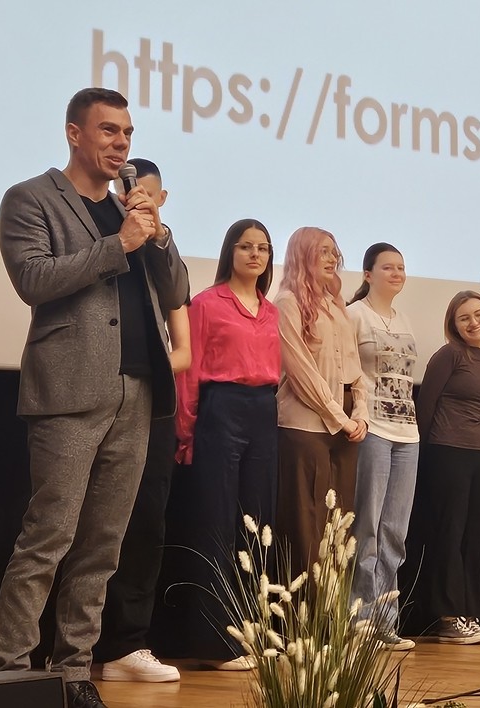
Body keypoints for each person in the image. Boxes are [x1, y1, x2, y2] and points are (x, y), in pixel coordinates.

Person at [0, 87, 189, 708]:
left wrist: (156, 235)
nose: (121, 143)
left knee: (103, 545)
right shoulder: (31, 199)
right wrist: (119, 244)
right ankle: (12, 674)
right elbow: (33, 279)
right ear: (74, 133)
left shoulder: (133, 207)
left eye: (127, 133)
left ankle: (74, 670)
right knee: (48, 538)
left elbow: (176, 291)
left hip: (137, 390)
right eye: (108, 131)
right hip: (69, 391)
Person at [95, 158, 191, 684]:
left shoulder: (161, 250)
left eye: (148, 196)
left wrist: (158, 237)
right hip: (95, 391)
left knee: (146, 522)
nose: (138, 202)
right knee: (91, 523)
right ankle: (77, 645)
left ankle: (129, 642)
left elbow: (181, 327)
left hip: (152, 401)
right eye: (130, 193)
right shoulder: (102, 233)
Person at [170, 219, 280, 671]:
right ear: (229, 252)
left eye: (263, 248)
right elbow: (188, 373)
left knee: (257, 525)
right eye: (246, 246)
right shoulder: (206, 303)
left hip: (263, 411)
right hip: (220, 409)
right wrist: (186, 432)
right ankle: (216, 644)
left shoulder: (271, 311)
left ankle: (251, 633)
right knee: (216, 524)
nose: (255, 255)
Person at [275, 227, 372, 571]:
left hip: (345, 428)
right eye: (323, 251)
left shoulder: (336, 304)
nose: (332, 259)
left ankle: (332, 604)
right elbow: (300, 371)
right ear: (302, 255)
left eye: (334, 252)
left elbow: (355, 368)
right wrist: (340, 417)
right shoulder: (287, 302)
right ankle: (306, 603)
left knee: (339, 521)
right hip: (306, 425)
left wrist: (360, 412)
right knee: (307, 522)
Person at [414, 291, 480, 645]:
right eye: (464, 318)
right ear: (454, 325)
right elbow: (425, 407)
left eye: (479, 314)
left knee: (476, 537)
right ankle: (449, 617)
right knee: (450, 535)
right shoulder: (449, 355)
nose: (474, 322)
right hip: (447, 453)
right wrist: (428, 455)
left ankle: (470, 613)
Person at [346, 243, 419, 651]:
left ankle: (386, 623)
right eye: (388, 267)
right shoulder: (354, 315)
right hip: (372, 429)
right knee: (368, 527)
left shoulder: (404, 318)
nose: (396, 273)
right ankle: (359, 621)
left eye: (401, 268)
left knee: (395, 532)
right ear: (368, 274)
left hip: (408, 434)